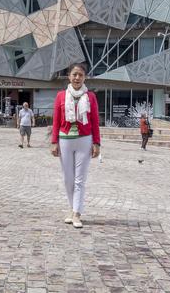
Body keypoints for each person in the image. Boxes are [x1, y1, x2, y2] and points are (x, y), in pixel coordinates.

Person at [50, 63, 100, 228]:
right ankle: (72, 209)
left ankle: (77, 213)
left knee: (80, 180)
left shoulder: (90, 97)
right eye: (74, 75)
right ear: (69, 77)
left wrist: (96, 143)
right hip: (65, 140)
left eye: (80, 75)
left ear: (84, 77)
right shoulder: (60, 96)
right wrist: (54, 142)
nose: (77, 78)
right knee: (67, 179)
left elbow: (95, 122)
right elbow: (56, 120)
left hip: (85, 139)